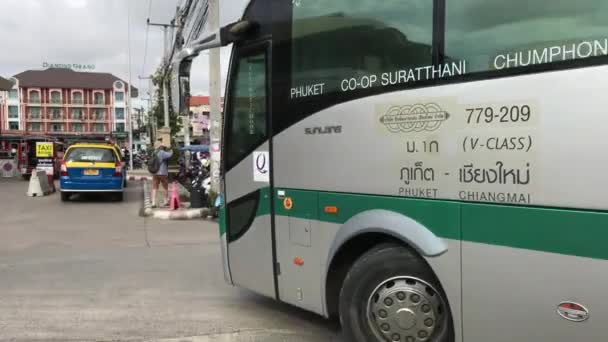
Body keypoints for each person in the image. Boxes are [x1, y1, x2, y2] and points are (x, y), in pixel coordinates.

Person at [151, 139, 173, 207]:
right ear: (160, 146)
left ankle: (153, 202)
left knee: (154, 187)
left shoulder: (153, 152)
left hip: (155, 172)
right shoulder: (162, 152)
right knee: (165, 187)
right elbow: (170, 155)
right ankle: (166, 201)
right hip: (162, 172)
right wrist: (170, 150)